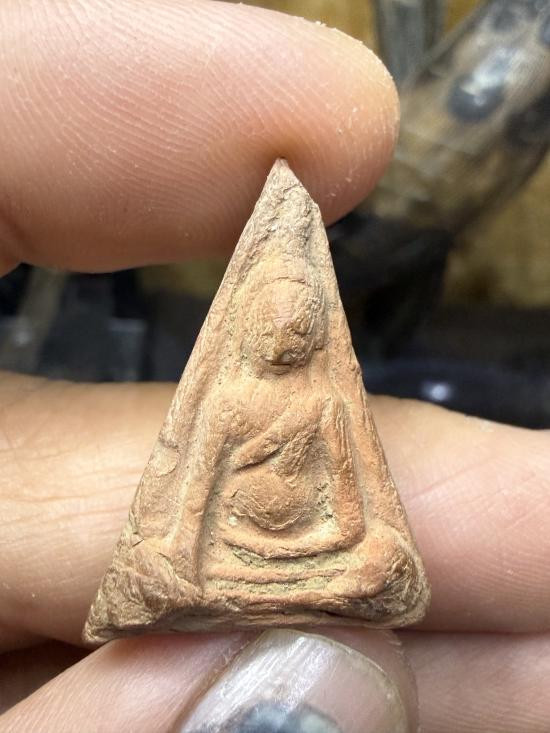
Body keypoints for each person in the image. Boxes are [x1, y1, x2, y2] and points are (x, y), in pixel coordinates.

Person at [0, 1, 548, 731]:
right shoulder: (229, 401)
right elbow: (190, 508)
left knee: (382, 562)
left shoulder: (324, 404)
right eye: (277, 321)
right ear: (254, 324)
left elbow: (351, 513)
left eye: (301, 324)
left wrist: (345, 552)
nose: (289, 335)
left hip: (311, 554)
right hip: (234, 551)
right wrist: (179, 557)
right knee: (157, 568)